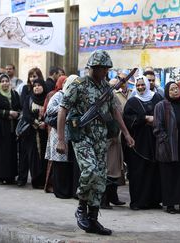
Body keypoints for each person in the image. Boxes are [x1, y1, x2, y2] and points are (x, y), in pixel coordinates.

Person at [56, 50, 134, 236]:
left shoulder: (105, 88)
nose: (104, 72)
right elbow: (62, 110)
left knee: (100, 178)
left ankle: (93, 218)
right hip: (82, 136)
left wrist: (126, 133)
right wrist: (60, 139)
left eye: (106, 69)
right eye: (101, 69)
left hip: (101, 139)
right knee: (89, 170)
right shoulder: (78, 85)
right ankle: (82, 206)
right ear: (93, 68)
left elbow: (115, 111)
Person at [153, 81, 180, 214]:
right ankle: (170, 204)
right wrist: (165, 140)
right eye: (172, 89)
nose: (175, 91)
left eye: (176, 88)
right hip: (170, 147)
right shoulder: (161, 106)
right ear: (167, 92)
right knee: (170, 176)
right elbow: (157, 127)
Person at [123, 75, 163, 210]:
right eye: (138, 85)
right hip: (138, 143)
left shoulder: (157, 97)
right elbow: (127, 119)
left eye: (143, 85)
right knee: (138, 172)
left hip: (155, 140)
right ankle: (138, 202)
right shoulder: (132, 101)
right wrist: (144, 118)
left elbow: (165, 113)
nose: (140, 87)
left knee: (154, 171)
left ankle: (154, 201)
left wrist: (156, 119)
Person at [45, 75, 77, 198]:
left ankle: (68, 190)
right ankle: (60, 191)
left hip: (71, 134)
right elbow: (49, 110)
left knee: (68, 163)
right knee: (59, 162)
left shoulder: (76, 96)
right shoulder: (59, 95)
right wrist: (64, 107)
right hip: (59, 133)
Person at [100, 78, 128, 209]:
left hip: (115, 138)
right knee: (108, 169)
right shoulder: (100, 98)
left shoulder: (113, 97)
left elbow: (118, 113)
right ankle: (104, 200)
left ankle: (113, 197)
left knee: (116, 168)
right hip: (105, 139)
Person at [0, 74, 22, 185]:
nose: (4, 83)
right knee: (0, 152)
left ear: (9, 82)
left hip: (12, 127)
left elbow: (19, 107)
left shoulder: (14, 93)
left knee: (11, 151)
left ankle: (10, 176)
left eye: (6, 81)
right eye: (2, 81)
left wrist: (16, 114)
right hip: (0, 127)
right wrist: (8, 113)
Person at [17, 79, 48, 188]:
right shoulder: (29, 98)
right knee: (30, 156)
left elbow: (50, 113)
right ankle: (29, 179)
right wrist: (36, 123)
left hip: (44, 133)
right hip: (30, 133)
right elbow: (25, 114)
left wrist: (44, 123)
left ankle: (41, 181)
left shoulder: (47, 99)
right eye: (35, 86)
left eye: (39, 85)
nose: (37, 87)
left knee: (42, 156)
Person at [43, 75, 67, 193]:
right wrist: (63, 109)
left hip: (67, 134)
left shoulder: (72, 95)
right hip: (56, 132)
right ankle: (53, 186)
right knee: (56, 161)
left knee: (64, 162)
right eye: (65, 82)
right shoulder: (56, 95)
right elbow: (48, 110)